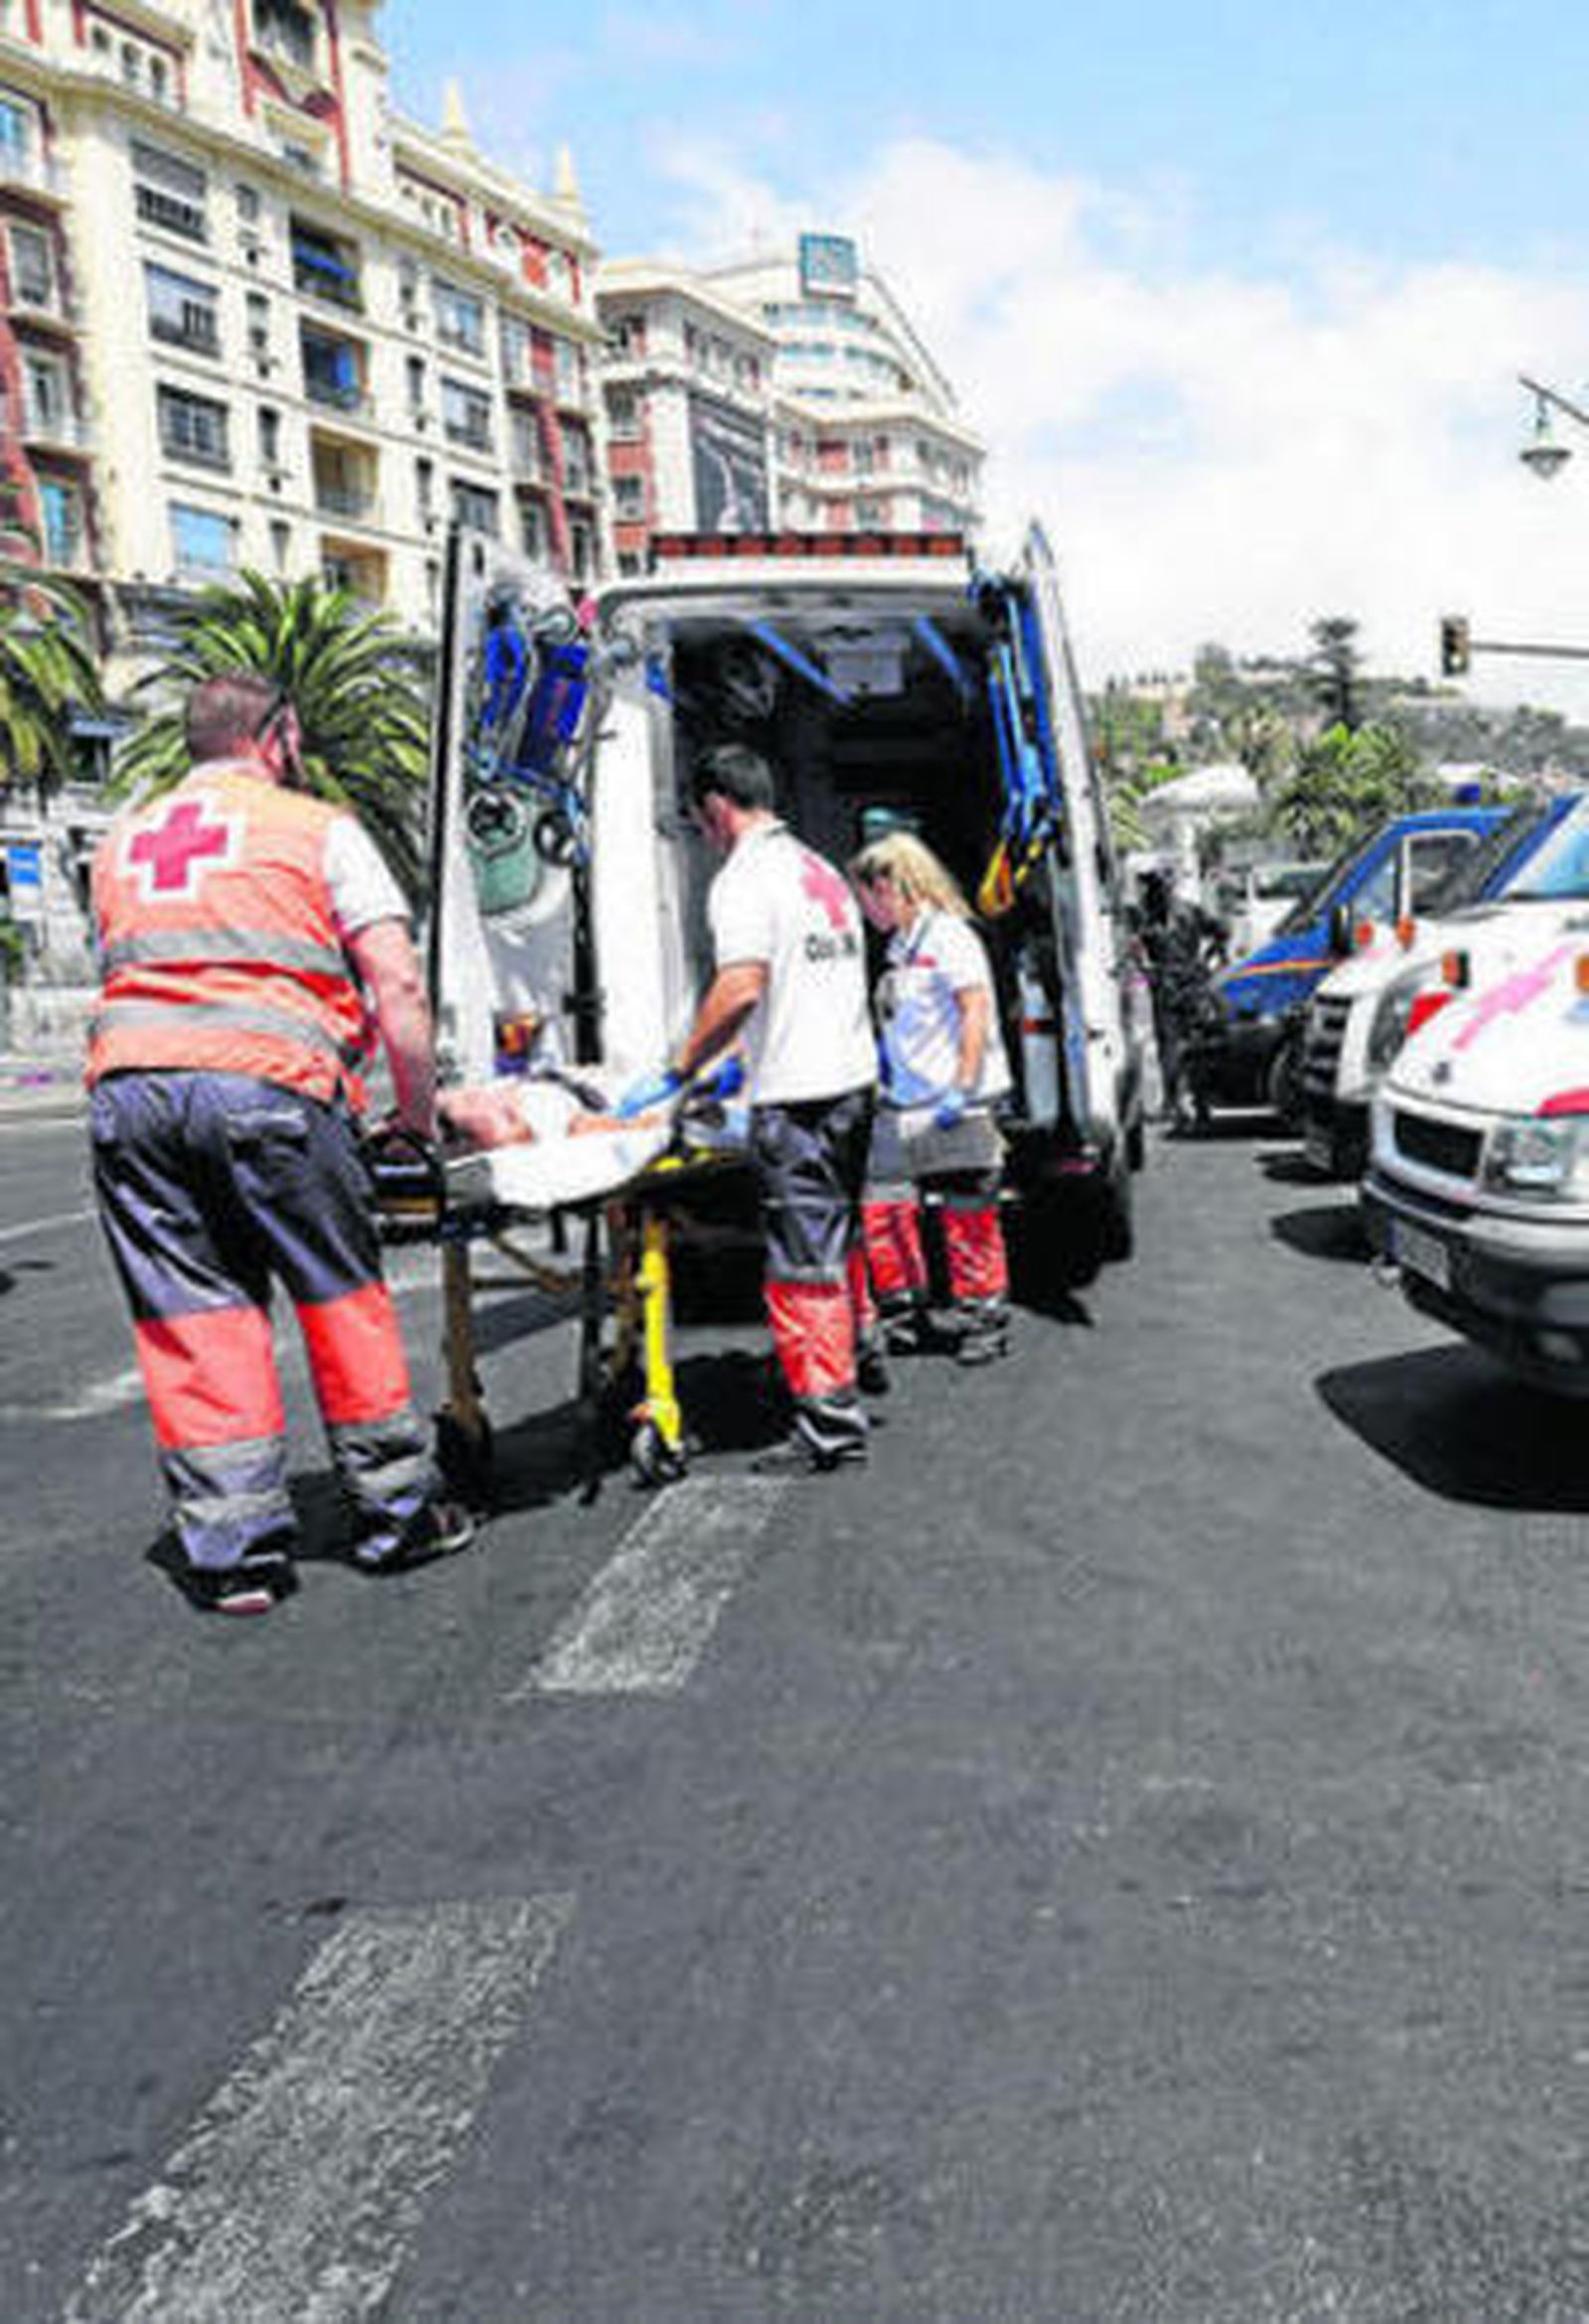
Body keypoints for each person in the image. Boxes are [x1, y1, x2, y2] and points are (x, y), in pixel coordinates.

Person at [85, 671, 475, 1615]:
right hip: (270, 1091)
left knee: (196, 1317)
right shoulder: (319, 828)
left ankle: (235, 1553)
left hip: (131, 1095)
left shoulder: (122, 839)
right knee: (340, 1298)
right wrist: (416, 1117)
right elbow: (397, 983)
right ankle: (394, 1512)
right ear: (279, 736)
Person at [618, 742, 877, 1473]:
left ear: (717, 809)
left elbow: (741, 989)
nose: (704, 834)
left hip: (798, 1102)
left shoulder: (743, 879)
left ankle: (828, 1421)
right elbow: (799, 991)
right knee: (835, 1248)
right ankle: (852, 1365)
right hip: (851, 1087)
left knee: (801, 1268)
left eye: (702, 822)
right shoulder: (817, 869)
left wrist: (679, 1069)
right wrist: (731, 1065)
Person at [849, 830, 1013, 1367]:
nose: (865, 908)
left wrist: (963, 1087)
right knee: (884, 1213)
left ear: (897, 886)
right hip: (902, 1103)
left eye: (869, 896)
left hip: (952, 1102)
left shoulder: (949, 938)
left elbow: (974, 1010)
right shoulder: (900, 947)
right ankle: (902, 1314)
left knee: (967, 1219)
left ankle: (984, 1321)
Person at [1137, 866, 1226, 1130]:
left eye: (1156, 886)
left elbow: (1223, 930)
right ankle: (1177, 1105)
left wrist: (1209, 958)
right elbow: (1133, 949)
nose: (1152, 892)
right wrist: (1147, 969)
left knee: (1194, 1049)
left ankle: (1197, 1105)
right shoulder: (1146, 917)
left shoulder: (1187, 912)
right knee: (1172, 1050)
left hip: (1188, 984)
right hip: (1168, 987)